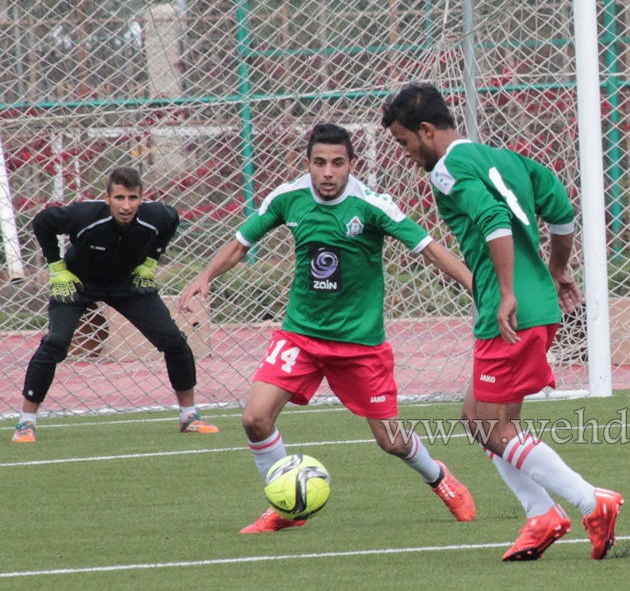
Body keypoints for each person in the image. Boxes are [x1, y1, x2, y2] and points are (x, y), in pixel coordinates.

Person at [179, 123, 477, 533]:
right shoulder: (288, 198)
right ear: (307, 163)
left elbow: (429, 249)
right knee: (255, 419)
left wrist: (477, 287)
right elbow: (240, 244)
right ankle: (287, 508)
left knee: (391, 441)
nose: (328, 172)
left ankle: (438, 477)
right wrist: (205, 275)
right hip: (301, 335)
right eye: (319, 163)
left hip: (360, 345)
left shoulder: (371, 205)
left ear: (352, 164)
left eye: (338, 163)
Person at [382, 83, 624, 561]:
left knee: (495, 428)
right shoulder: (506, 159)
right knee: (477, 418)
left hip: (510, 314)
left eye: (404, 142)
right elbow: (561, 211)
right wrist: (557, 269)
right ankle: (542, 515)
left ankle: (590, 501)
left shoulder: (448, 170)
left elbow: (493, 218)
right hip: (536, 309)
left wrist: (508, 291)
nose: (406, 154)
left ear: (426, 130)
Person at [13, 167, 218, 443]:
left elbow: (172, 220)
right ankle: (26, 421)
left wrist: (150, 262)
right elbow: (42, 222)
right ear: (107, 198)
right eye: (119, 198)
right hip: (78, 283)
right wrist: (57, 268)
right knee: (55, 343)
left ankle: (189, 416)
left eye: (133, 198)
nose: (126, 206)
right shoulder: (84, 215)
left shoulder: (156, 216)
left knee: (174, 341)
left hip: (127, 285)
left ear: (141, 199)